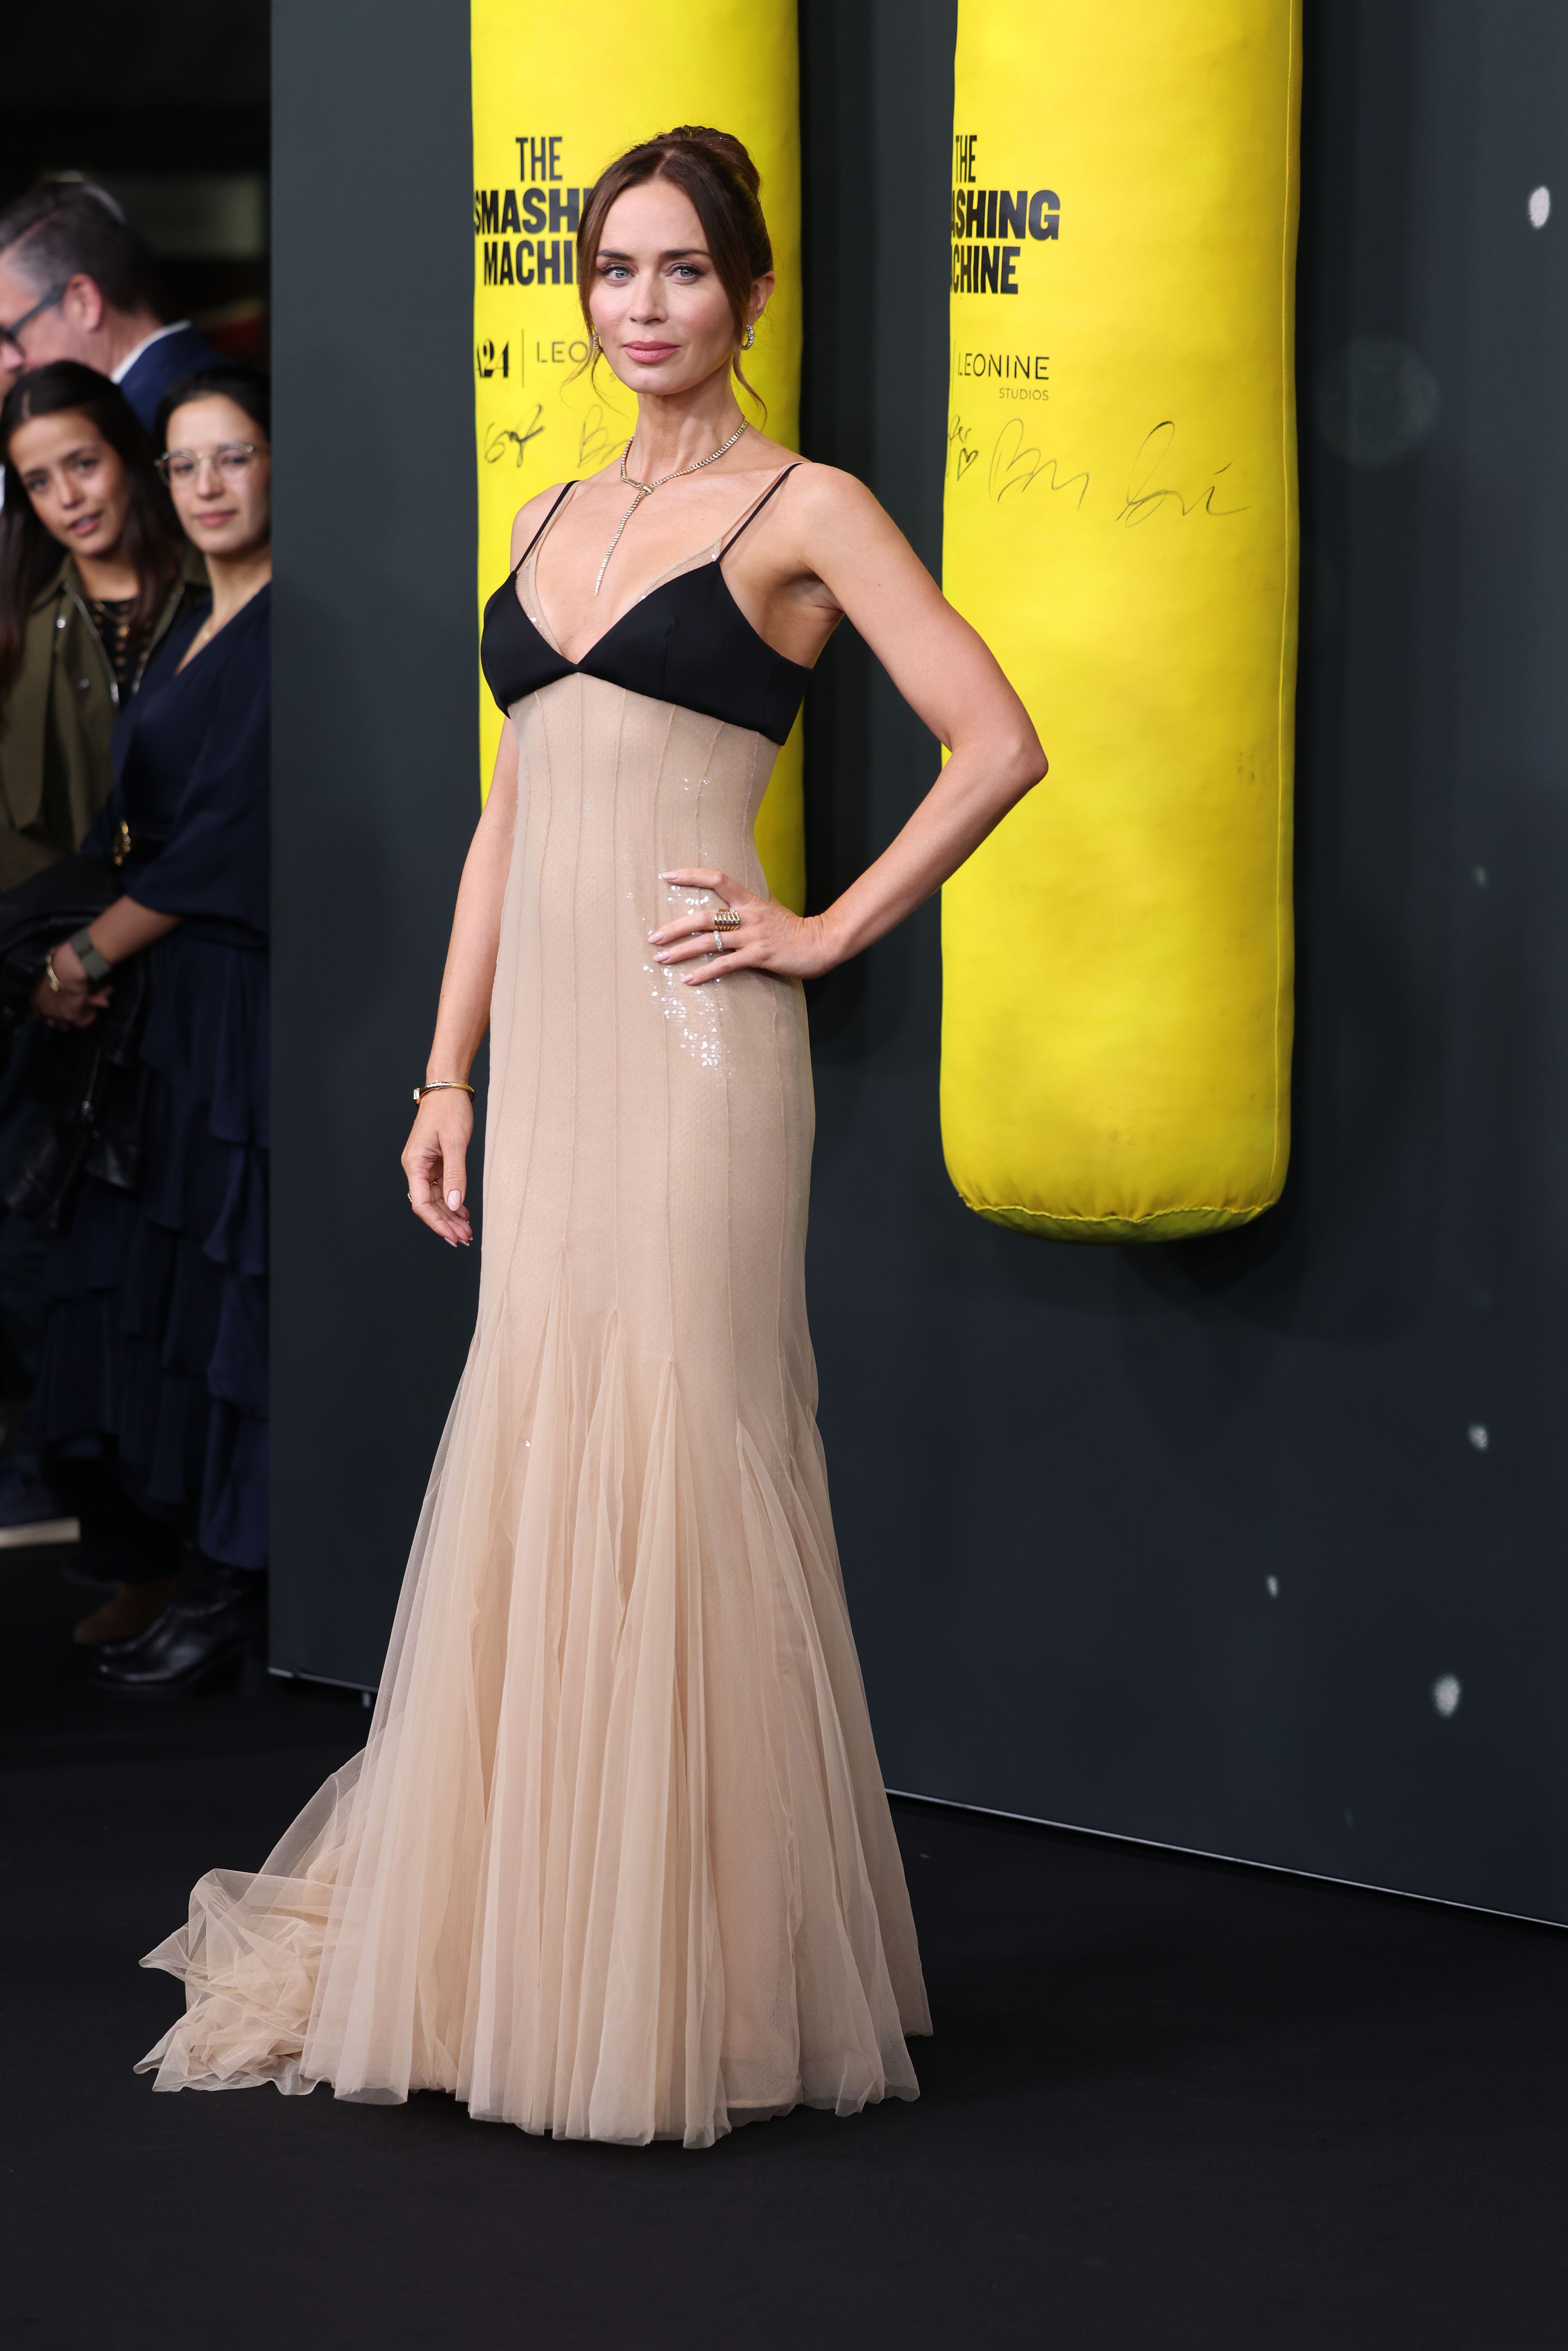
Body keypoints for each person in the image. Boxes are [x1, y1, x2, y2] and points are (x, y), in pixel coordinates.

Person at [136, 128, 1046, 2148]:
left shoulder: (807, 509)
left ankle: (691, 1981)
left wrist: (820, 929)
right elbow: (511, 813)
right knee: (542, 1448)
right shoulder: (544, 510)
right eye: (613, 269)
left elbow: (996, 740)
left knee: (687, 1448)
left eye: (680, 270)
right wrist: (443, 1074)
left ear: (749, 292)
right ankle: (532, 1960)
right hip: (543, 1063)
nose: (643, 304)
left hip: (701, 1050)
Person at [32, 364, 270, 1692]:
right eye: (185, 464)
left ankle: (236, 1587)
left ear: (276, 464)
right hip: (169, 1003)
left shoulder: (281, 624)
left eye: (233, 456)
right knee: (171, 1287)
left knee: (235, 1286)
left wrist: (84, 949)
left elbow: (228, 842)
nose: (207, 485)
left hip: (230, 995)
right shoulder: (194, 621)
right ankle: (196, 1566)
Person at [0, 361, 203, 1570]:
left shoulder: (214, 594)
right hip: (50, 999)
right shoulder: (24, 614)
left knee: (185, 1268)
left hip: (191, 975)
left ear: (129, 455)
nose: (70, 496)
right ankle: (125, 1552)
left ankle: (193, 1565)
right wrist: (41, 970)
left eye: (83, 462)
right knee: (46, 1264)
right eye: (40, 480)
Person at [0, 186, 218, 435]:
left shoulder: (169, 425)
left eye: (11, 335)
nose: (11, 362)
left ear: (84, 302)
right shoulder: (200, 385)